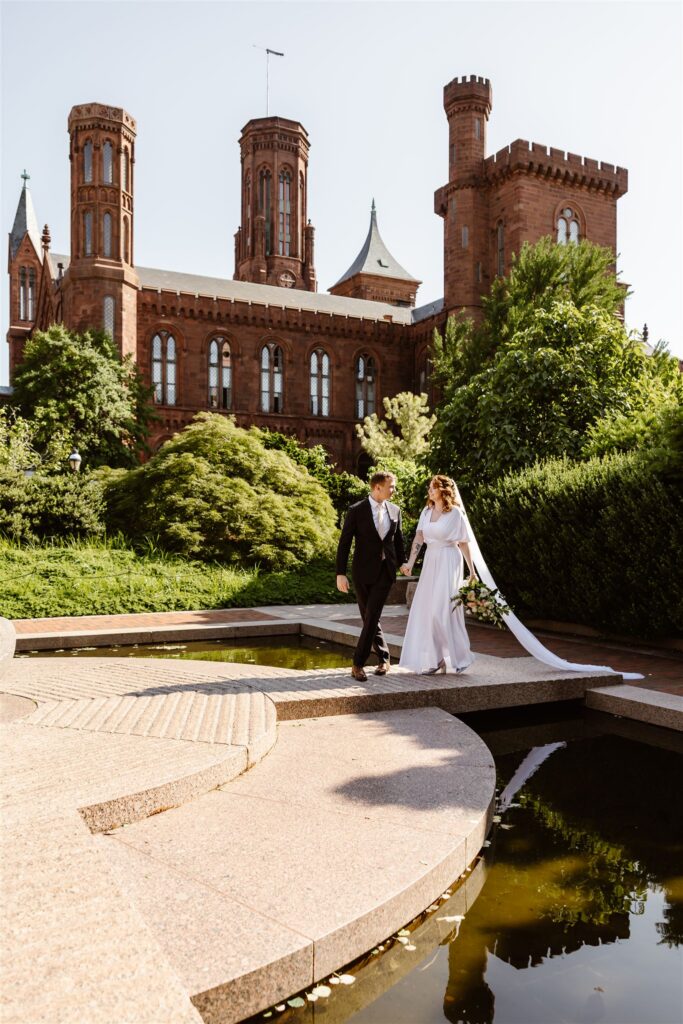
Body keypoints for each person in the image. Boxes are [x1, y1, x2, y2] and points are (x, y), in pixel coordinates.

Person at [398, 475, 476, 675]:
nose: (430, 491)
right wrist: (410, 562)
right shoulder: (426, 511)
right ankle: (436, 659)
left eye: (433, 488)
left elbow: (464, 542)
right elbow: (420, 536)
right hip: (431, 562)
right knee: (428, 611)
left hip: (449, 560)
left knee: (444, 610)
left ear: (444, 490)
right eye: (429, 488)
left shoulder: (456, 514)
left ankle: (461, 657)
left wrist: (472, 571)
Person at [336, 471, 406, 682]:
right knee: (369, 618)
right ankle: (384, 658)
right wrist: (340, 573)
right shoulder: (356, 511)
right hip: (362, 573)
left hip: (385, 572)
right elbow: (344, 543)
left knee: (373, 614)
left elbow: (399, 541)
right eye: (391, 486)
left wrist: (403, 563)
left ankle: (358, 663)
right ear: (377, 487)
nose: (393, 490)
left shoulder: (395, 510)